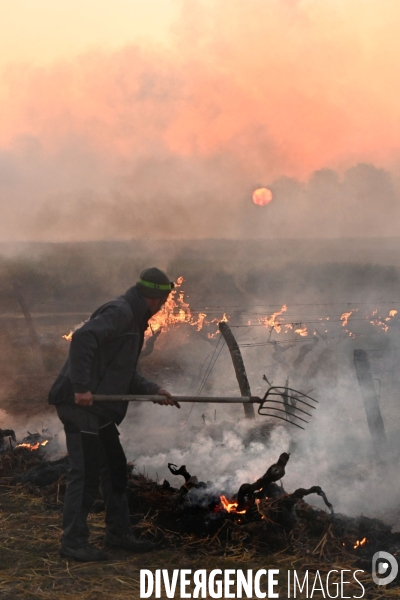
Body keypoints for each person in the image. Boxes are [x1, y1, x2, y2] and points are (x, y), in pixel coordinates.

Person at [48, 267, 180, 562]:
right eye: (164, 299)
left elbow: (126, 374)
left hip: (101, 408)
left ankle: (118, 534)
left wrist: (154, 390)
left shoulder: (135, 321)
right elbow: (82, 339)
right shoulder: (121, 313)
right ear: (157, 298)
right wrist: (81, 387)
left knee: (115, 467)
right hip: (79, 404)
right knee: (86, 473)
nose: (163, 306)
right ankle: (73, 542)